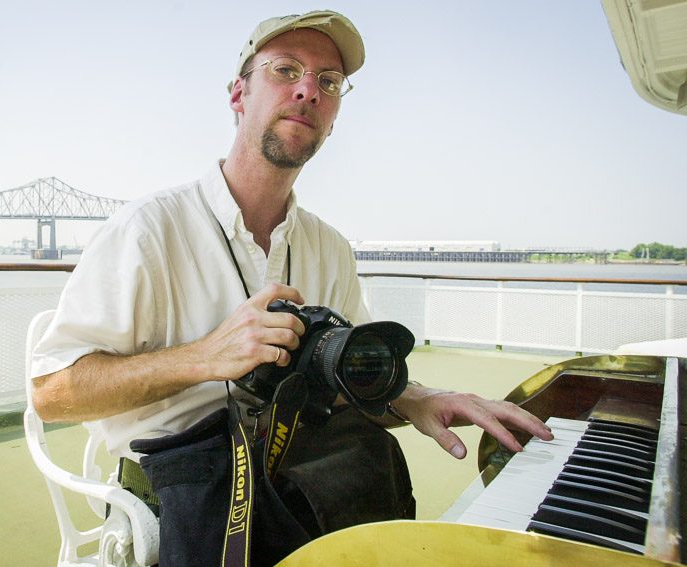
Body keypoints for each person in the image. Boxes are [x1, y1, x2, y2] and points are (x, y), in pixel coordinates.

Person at [31, 8, 553, 564]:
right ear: (238, 95)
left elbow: (347, 384)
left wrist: (417, 397)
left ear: (333, 117)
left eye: (328, 82)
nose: (308, 90)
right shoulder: (148, 230)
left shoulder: (328, 247)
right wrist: (205, 357)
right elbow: (51, 394)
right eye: (285, 70)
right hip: (181, 492)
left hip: (296, 475)